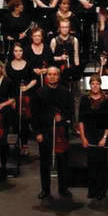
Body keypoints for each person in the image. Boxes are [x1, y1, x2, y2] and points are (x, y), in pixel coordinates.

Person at [33, 66, 74, 199]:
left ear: (58, 76)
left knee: (63, 161)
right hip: (45, 132)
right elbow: (35, 115)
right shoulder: (39, 92)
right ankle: (45, 189)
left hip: (61, 132)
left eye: (55, 74)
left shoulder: (65, 92)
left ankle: (63, 188)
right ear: (46, 77)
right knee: (45, 162)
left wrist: (63, 118)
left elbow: (71, 112)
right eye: (49, 74)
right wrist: (37, 133)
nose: (52, 76)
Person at [79, 75, 108, 200]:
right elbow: (81, 120)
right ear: (90, 85)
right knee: (91, 163)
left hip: (102, 134)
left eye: (97, 83)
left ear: (100, 85)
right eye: (92, 84)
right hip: (89, 134)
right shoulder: (84, 99)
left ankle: (101, 190)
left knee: (101, 163)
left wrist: (104, 138)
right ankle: (92, 190)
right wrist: (83, 137)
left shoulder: (107, 100)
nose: (94, 86)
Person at [6, 42, 38, 156]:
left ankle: (24, 144)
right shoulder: (8, 65)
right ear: (13, 52)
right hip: (14, 97)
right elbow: (6, 84)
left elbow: (34, 79)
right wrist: (11, 99)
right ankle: (15, 144)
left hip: (25, 97)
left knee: (24, 122)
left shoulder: (28, 64)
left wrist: (26, 87)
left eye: (20, 51)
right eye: (16, 51)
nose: (18, 53)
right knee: (15, 122)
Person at [49, 19, 81, 85]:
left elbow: (76, 55)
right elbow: (50, 58)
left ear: (69, 28)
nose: (65, 29)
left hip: (71, 67)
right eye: (62, 27)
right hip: (58, 69)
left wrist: (77, 69)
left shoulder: (74, 40)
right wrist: (60, 58)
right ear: (59, 28)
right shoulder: (54, 40)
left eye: (66, 27)